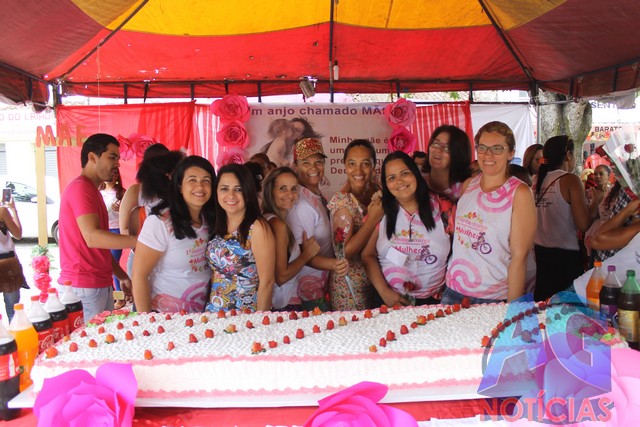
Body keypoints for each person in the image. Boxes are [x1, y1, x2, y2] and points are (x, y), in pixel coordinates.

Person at [443, 121, 536, 304]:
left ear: (511, 153)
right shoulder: (469, 185)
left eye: (497, 149)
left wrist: (513, 310)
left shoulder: (520, 193)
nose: (488, 154)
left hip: (492, 297)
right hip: (453, 290)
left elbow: (519, 258)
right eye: (482, 147)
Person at [58, 133, 137, 322]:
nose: (117, 164)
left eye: (118, 158)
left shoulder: (93, 191)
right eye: (112, 157)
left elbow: (99, 247)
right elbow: (93, 238)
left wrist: (122, 276)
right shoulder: (81, 188)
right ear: (92, 157)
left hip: (98, 284)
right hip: (83, 286)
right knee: (92, 339)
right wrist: (140, 241)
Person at [362, 151, 451, 307]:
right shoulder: (381, 211)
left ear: (415, 173)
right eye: (391, 178)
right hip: (389, 301)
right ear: (385, 184)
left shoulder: (443, 209)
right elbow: (368, 255)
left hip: (434, 302)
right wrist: (384, 292)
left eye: (404, 173)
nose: (399, 181)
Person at [132, 156, 216, 313]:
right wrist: (146, 320)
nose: (200, 186)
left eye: (206, 180)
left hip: (203, 315)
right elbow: (139, 276)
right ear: (180, 186)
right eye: (192, 180)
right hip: (165, 317)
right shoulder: (160, 222)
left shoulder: (211, 220)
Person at [532, 135, 597, 301]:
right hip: (565, 257)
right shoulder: (570, 180)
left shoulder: (537, 180)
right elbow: (583, 224)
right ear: (568, 155)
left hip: (540, 253)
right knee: (567, 309)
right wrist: (596, 202)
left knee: (543, 305)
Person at [286, 138, 348, 311]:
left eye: (318, 162)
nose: (313, 168)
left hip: (319, 284)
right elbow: (303, 254)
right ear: (296, 166)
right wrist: (335, 264)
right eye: (306, 163)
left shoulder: (314, 194)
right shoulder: (301, 204)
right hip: (306, 290)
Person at [205, 164, 275, 312]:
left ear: (248, 193)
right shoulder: (218, 224)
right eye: (224, 188)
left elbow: (267, 282)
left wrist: (259, 320)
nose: (231, 195)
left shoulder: (257, 228)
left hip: (246, 315)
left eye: (238, 189)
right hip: (214, 312)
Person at [328, 139, 383, 310]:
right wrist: (372, 219)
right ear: (345, 166)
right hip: (351, 288)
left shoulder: (378, 188)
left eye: (365, 164)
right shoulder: (343, 202)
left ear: (374, 166)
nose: (358, 171)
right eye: (352, 164)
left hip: (378, 279)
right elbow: (343, 253)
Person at [262, 167, 320, 310]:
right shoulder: (278, 225)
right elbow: (281, 277)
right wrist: (307, 254)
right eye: (283, 188)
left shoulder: (269, 218)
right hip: (283, 304)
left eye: (294, 189)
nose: (290, 194)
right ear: (271, 191)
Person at [421, 125, 472, 202]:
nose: (438, 150)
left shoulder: (465, 190)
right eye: (436, 144)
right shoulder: (417, 179)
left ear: (459, 156)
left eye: (447, 148)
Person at [99, 168, 126, 308]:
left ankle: (120, 297)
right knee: (103, 264)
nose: (111, 175)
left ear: (117, 176)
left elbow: (128, 214)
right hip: (101, 231)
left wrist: (121, 209)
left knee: (113, 264)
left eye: (114, 173)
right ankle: (109, 295)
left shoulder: (122, 194)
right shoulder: (98, 192)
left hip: (115, 230)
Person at [0, 193, 26, 321]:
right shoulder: (2, 211)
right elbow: (18, 234)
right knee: (13, 311)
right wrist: (13, 209)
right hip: (7, 265)